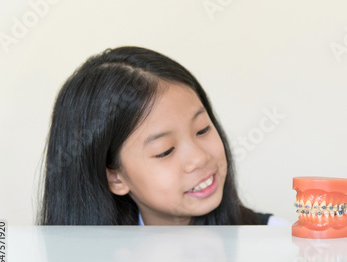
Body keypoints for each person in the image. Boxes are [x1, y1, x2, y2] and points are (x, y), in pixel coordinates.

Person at [38, 46, 289, 226]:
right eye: (165, 150)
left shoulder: (276, 240)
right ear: (114, 177)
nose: (199, 158)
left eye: (202, 129)